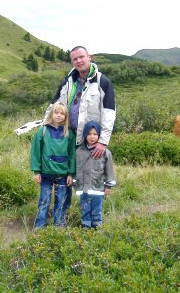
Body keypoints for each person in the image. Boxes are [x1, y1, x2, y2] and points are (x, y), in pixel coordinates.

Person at [43, 46, 116, 225]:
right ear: (71, 62)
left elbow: (109, 112)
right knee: (66, 175)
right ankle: (63, 214)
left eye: (81, 57)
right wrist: (44, 126)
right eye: (75, 59)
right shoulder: (68, 81)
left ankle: (93, 218)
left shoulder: (102, 81)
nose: (79, 61)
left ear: (89, 57)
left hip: (91, 140)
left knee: (93, 177)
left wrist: (103, 142)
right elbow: (55, 105)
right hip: (67, 137)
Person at [30, 102, 76, 228]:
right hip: (45, 174)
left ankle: (59, 227)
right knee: (44, 201)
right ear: (51, 113)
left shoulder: (69, 133)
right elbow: (35, 152)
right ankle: (39, 228)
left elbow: (72, 155)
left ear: (66, 117)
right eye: (56, 112)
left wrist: (70, 173)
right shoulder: (42, 130)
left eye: (62, 113)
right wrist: (36, 171)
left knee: (61, 202)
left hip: (62, 175)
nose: (59, 115)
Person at [75, 121, 116, 228]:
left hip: (98, 188)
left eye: (95, 134)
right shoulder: (79, 151)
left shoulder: (105, 152)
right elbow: (76, 170)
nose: (92, 137)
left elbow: (109, 171)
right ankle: (86, 228)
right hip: (83, 189)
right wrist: (75, 183)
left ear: (99, 135)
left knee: (96, 210)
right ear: (85, 135)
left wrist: (108, 186)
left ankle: (97, 228)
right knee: (85, 209)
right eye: (89, 134)